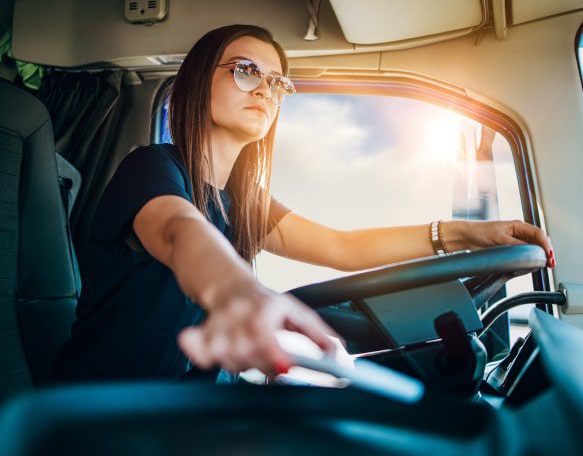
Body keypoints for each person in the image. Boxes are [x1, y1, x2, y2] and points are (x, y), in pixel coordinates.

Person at [51, 24, 554, 383]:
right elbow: (182, 233)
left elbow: (344, 247)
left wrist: (462, 235)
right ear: (196, 80)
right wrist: (239, 293)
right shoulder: (152, 168)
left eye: (277, 82)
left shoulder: (244, 201)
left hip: (188, 404)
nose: (266, 91)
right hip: (106, 410)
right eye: (247, 71)